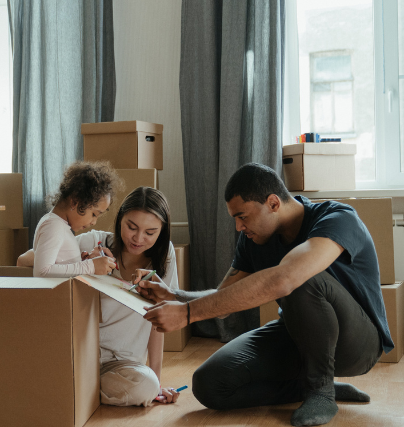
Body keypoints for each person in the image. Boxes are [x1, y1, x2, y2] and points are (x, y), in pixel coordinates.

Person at [139, 163, 392, 426]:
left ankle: (321, 391)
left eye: (243, 216)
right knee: (209, 384)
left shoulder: (338, 218)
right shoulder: (253, 239)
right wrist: (174, 297)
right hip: (297, 336)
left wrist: (187, 314)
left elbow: (287, 279)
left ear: (273, 203)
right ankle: (307, 387)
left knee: (301, 277)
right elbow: (224, 299)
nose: (238, 227)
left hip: (358, 344)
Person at [19, 186, 183, 406]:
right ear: (119, 220)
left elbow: (159, 321)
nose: (138, 238)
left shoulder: (165, 258)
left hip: (123, 365)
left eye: (150, 233)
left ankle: (74, 389)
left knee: (147, 386)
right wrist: (83, 263)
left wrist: (157, 381)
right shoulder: (94, 242)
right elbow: (25, 260)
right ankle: (77, 387)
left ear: (161, 232)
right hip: (81, 354)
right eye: (131, 227)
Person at [30, 161, 119, 277]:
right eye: (94, 214)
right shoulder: (53, 226)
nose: (94, 222)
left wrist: (80, 262)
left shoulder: (59, 225)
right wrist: (90, 266)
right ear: (75, 201)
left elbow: (60, 267)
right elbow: (42, 272)